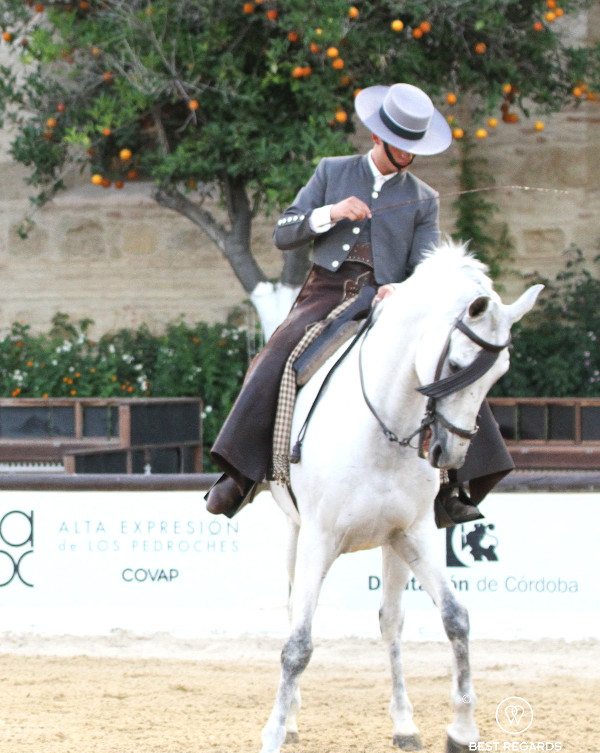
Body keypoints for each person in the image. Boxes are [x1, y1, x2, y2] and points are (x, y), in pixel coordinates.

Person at [205, 83, 513, 525]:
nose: (407, 156)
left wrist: (401, 289)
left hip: (389, 301)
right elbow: (284, 232)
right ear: (376, 138)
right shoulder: (332, 171)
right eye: (400, 147)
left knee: (448, 364)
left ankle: (453, 485)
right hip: (325, 292)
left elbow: (425, 263)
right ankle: (240, 475)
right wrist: (330, 213)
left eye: (413, 149)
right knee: (274, 357)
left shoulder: (425, 197)